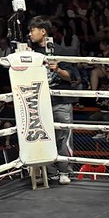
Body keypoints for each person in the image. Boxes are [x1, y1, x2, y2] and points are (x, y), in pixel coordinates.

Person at [28, 15, 81, 185]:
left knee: (63, 137)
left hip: (61, 100)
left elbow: (72, 77)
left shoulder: (62, 51)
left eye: (32, 30)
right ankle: (51, 172)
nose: (30, 34)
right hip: (40, 101)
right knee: (45, 136)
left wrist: (57, 69)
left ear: (43, 32)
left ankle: (65, 171)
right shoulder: (31, 53)